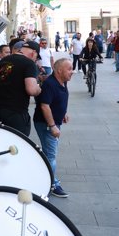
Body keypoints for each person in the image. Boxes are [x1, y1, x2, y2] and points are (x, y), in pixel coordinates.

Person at [33, 58, 73, 198]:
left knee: (48, 153)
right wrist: (52, 126)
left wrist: (64, 113)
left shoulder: (63, 81)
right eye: (69, 69)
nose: (72, 71)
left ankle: (44, 177)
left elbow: (60, 99)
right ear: (59, 70)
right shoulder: (50, 84)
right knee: (51, 155)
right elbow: (44, 105)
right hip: (46, 124)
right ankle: (52, 184)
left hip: (54, 122)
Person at [0, 41, 42, 136]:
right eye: (36, 58)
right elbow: (31, 90)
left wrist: (5, 89)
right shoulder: (29, 64)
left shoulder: (3, 61)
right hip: (17, 113)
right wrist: (39, 89)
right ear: (33, 53)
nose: (35, 60)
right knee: (17, 145)